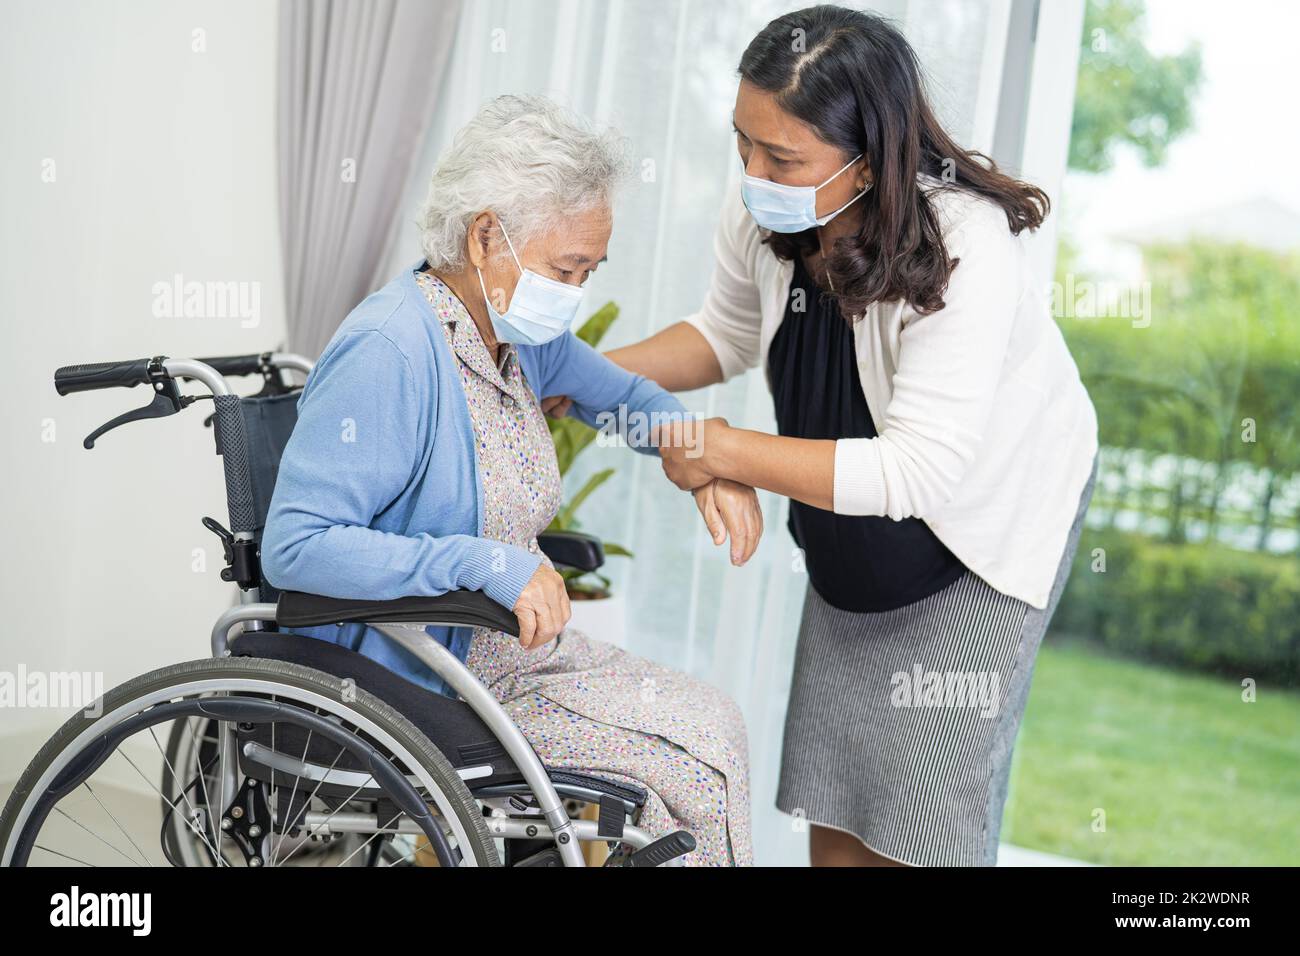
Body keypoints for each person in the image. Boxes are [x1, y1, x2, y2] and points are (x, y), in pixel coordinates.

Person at [585, 5, 1099, 867]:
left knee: (922, 821)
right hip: (847, 526)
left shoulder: (961, 241)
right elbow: (726, 334)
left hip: (976, 531)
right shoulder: (768, 211)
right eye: (743, 143)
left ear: (867, 159)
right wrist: (581, 376)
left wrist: (721, 450)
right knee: (839, 794)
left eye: (781, 156)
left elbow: (918, 470)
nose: (752, 170)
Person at [262, 95, 760, 865]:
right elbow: (296, 549)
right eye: (567, 268)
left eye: (591, 271)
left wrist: (703, 462)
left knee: (713, 723)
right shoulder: (390, 351)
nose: (578, 291)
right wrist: (482, 560)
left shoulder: (520, 336)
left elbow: (624, 400)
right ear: (486, 235)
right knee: (677, 761)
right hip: (416, 675)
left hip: (508, 654)